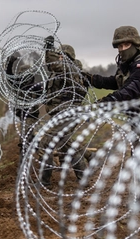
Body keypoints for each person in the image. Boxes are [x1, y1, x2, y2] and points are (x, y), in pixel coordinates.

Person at [81, 26, 140, 211]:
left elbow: (131, 89)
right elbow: (116, 83)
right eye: (119, 46)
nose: (122, 50)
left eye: (126, 45)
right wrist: (91, 79)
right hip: (138, 118)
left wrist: (106, 103)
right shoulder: (127, 66)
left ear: (136, 44)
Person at [35, 35, 94, 189]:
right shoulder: (62, 71)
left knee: (44, 144)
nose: (59, 58)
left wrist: (48, 49)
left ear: (68, 58)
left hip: (66, 114)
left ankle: (44, 182)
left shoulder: (70, 69)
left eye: (62, 56)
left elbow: (54, 64)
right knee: (66, 146)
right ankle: (84, 177)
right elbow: (52, 67)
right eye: (58, 55)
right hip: (60, 114)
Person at [6, 55, 42, 163]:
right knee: (28, 138)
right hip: (25, 115)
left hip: (30, 115)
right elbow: (9, 75)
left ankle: (27, 163)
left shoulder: (34, 86)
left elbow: (10, 76)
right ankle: (39, 157)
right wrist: (10, 62)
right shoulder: (20, 85)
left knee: (26, 139)